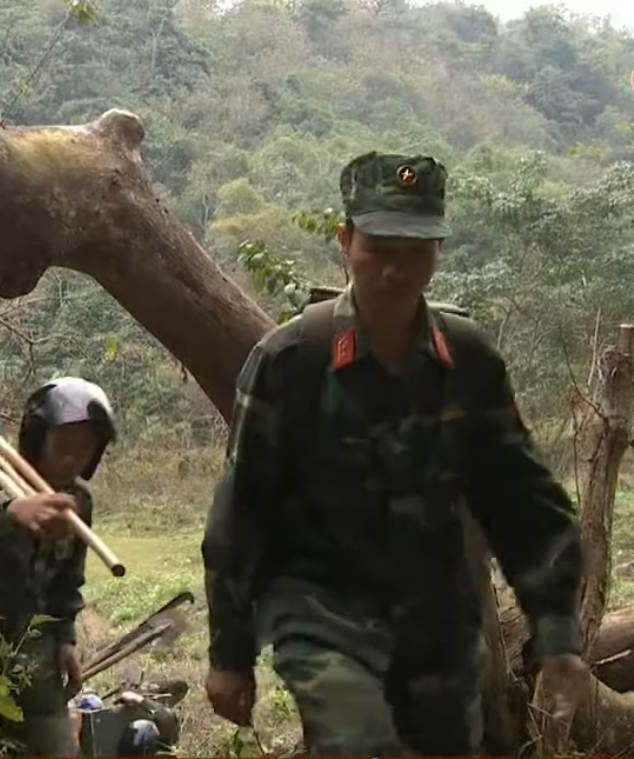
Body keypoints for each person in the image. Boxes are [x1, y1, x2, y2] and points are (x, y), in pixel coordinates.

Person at [201, 152, 590, 755]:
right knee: (357, 738)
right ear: (345, 240)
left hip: (439, 630)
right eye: (379, 248)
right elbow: (240, 514)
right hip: (322, 620)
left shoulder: (468, 360)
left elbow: (526, 505)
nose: (395, 271)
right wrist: (229, 652)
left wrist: (559, 636)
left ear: (438, 250)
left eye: (416, 251)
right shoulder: (292, 359)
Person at [0, 377, 117, 757]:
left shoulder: (77, 503)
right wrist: (13, 512)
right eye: (63, 445)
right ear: (38, 439)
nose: (72, 458)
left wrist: (66, 638)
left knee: (59, 748)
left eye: (85, 449)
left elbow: (68, 583)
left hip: (31, 643)